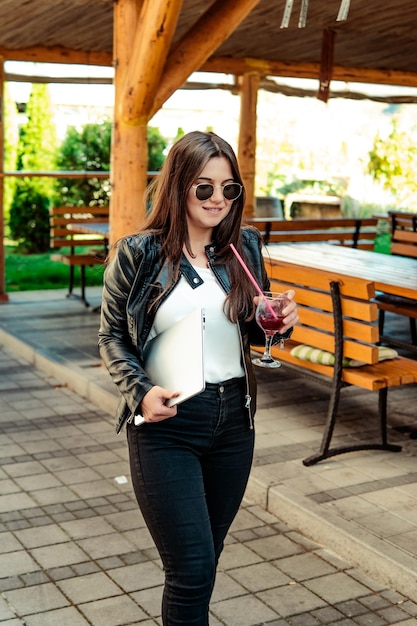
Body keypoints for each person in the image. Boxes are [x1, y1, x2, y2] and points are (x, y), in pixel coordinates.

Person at [98, 130, 298, 625]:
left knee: (206, 563)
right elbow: (110, 338)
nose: (217, 199)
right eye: (204, 187)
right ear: (179, 185)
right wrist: (140, 394)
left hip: (234, 422)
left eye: (229, 189)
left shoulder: (243, 246)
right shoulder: (138, 253)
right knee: (189, 568)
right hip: (168, 424)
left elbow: (250, 330)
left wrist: (276, 323)